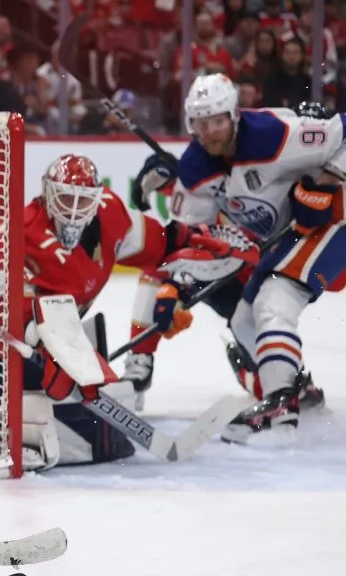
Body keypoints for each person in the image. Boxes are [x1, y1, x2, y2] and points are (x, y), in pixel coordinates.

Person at [0, 153, 256, 471]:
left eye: (82, 199)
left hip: (38, 324)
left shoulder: (110, 212)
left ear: (97, 197)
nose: (73, 209)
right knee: (44, 383)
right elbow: (25, 313)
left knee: (60, 385)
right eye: (63, 197)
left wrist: (196, 240)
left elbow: (154, 241)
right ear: (47, 194)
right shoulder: (27, 234)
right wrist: (68, 364)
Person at [128, 73, 344, 446]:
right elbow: (195, 240)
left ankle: (280, 411)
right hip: (291, 238)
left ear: (234, 116)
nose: (211, 132)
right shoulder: (196, 170)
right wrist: (173, 288)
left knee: (274, 298)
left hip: (336, 218)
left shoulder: (272, 134)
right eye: (201, 123)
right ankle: (294, 391)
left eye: (217, 121)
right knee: (246, 319)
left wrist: (326, 181)